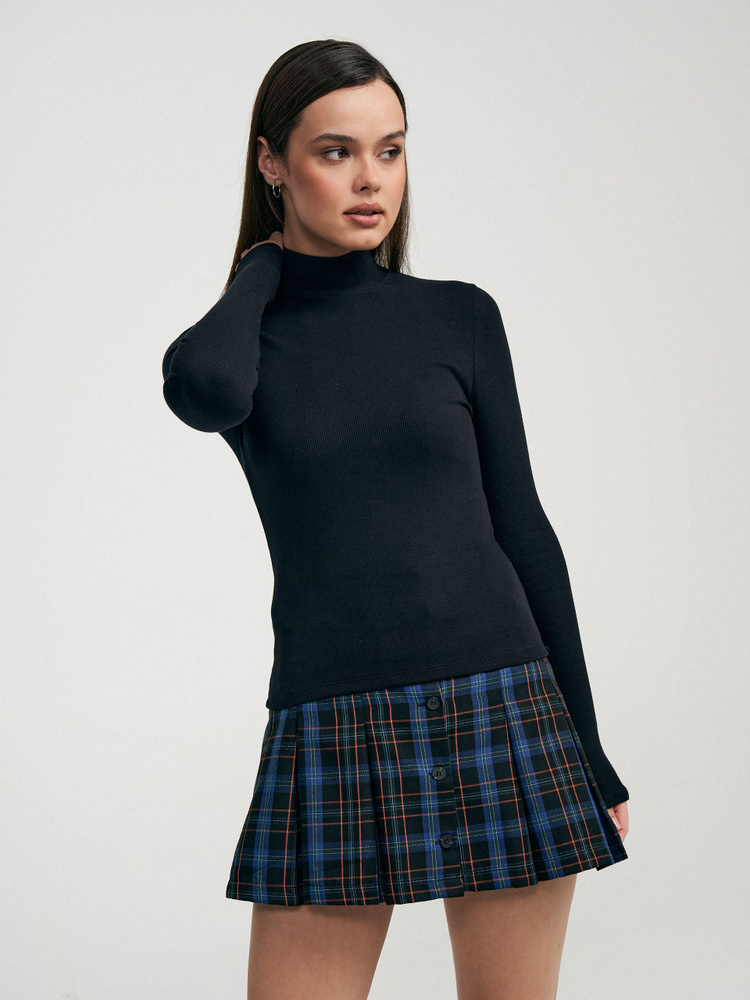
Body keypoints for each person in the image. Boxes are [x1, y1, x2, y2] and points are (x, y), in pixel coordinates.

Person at [161, 38, 630, 1000]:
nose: (371, 179)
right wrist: (261, 267)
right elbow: (202, 391)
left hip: (504, 702)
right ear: (271, 162)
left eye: (391, 149)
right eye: (335, 152)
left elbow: (525, 532)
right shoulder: (244, 344)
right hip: (330, 716)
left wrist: (589, 749)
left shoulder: (460, 317)